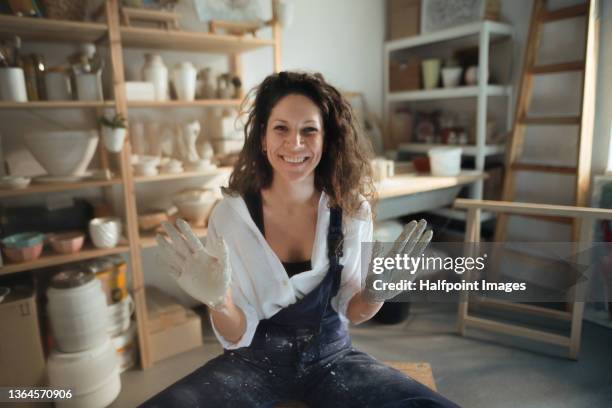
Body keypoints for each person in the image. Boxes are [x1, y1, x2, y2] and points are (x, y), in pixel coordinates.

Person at [144, 71, 460, 408]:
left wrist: (375, 293)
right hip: (249, 364)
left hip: (333, 361)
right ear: (262, 137)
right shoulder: (230, 217)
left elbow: (353, 312)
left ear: (327, 139)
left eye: (309, 130)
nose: (295, 143)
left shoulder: (351, 211)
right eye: (281, 128)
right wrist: (219, 302)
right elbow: (236, 335)